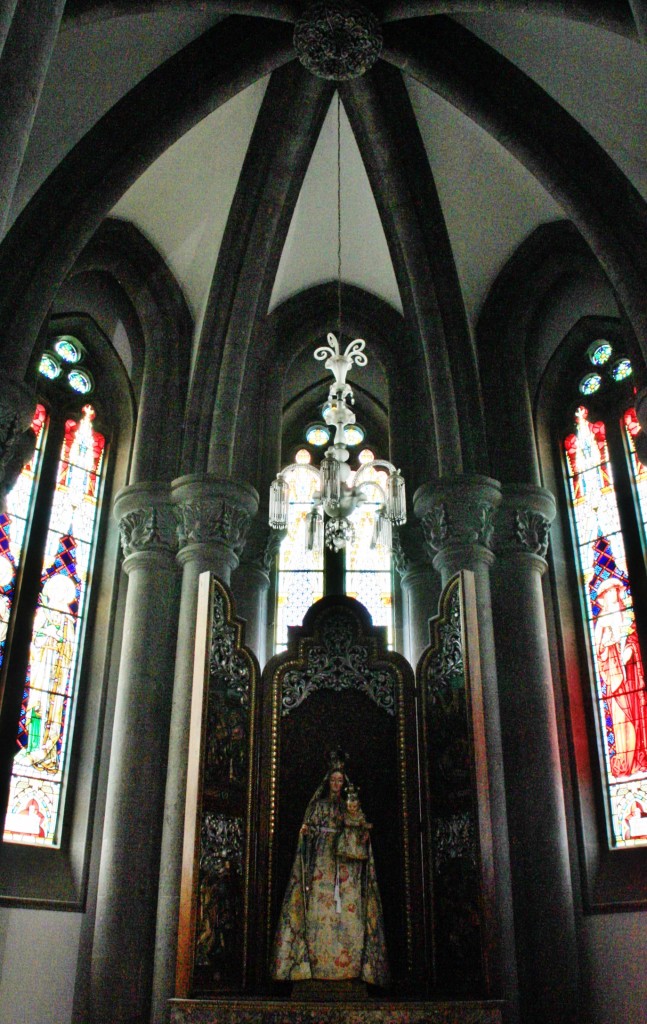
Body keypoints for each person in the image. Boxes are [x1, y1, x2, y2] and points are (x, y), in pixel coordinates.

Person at [270, 751, 389, 987]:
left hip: (347, 868)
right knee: (319, 912)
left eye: (340, 781)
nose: (336, 785)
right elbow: (310, 830)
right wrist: (306, 833)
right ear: (328, 781)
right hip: (323, 865)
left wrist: (362, 835)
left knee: (349, 914)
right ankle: (315, 968)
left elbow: (360, 830)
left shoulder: (350, 807)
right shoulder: (319, 806)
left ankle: (351, 969)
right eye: (333, 780)